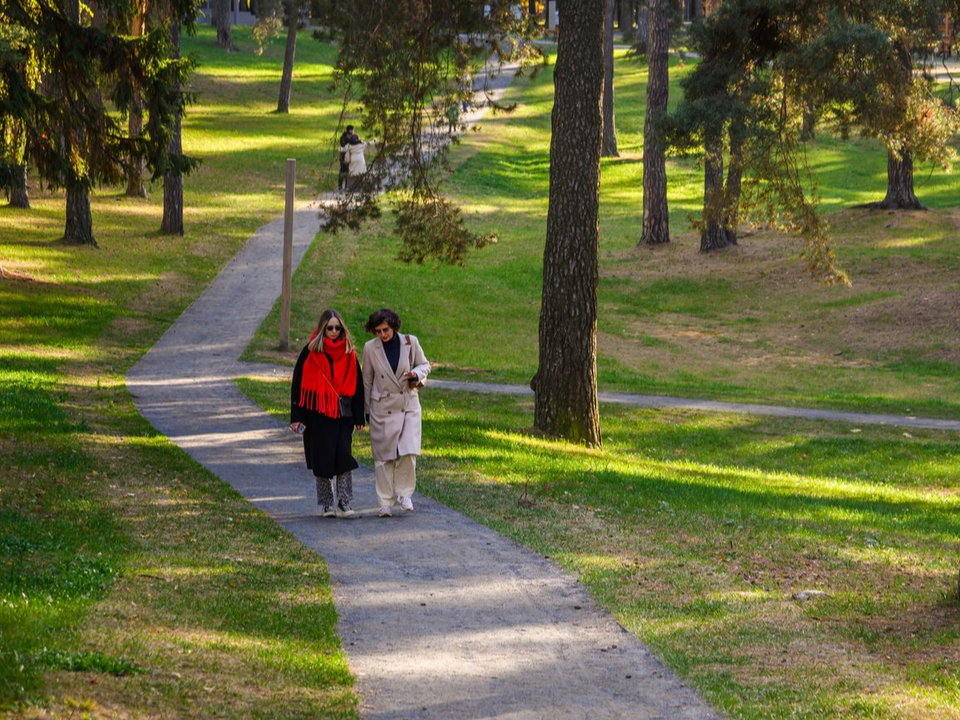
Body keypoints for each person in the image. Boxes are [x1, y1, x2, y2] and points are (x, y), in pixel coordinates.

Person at [291, 309, 365, 518]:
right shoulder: (310, 351)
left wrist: (359, 418)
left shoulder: (349, 353)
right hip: (317, 415)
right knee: (321, 459)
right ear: (323, 327)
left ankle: (345, 502)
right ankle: (326, 504)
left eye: (337, 328)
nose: (333, 331)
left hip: (342, 415)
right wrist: (296, 417)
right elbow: (297, 385)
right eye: (330, 327)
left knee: (344, 457)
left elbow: (358, 387)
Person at [362, 308, 431, 517]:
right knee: (384, 458)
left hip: (408, 403)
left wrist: (415, 374)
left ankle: (404, 493)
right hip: (382, 407)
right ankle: (385, 501)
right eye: (378, 331)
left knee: (408, 451)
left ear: (394, 326)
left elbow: (425, 365)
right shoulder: (369, 348)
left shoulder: (411, 342)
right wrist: (365, 411)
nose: (383, 335)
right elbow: (367, 381)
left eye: (386, 330)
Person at [337, 125, 355, 191]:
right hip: (347, 156)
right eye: (353, 130)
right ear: (350, 130)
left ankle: (340, 185)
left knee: (342, 170)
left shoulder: (342, 136)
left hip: (342, 156)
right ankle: (346, 186)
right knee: (347, 170)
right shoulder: (350, 137)